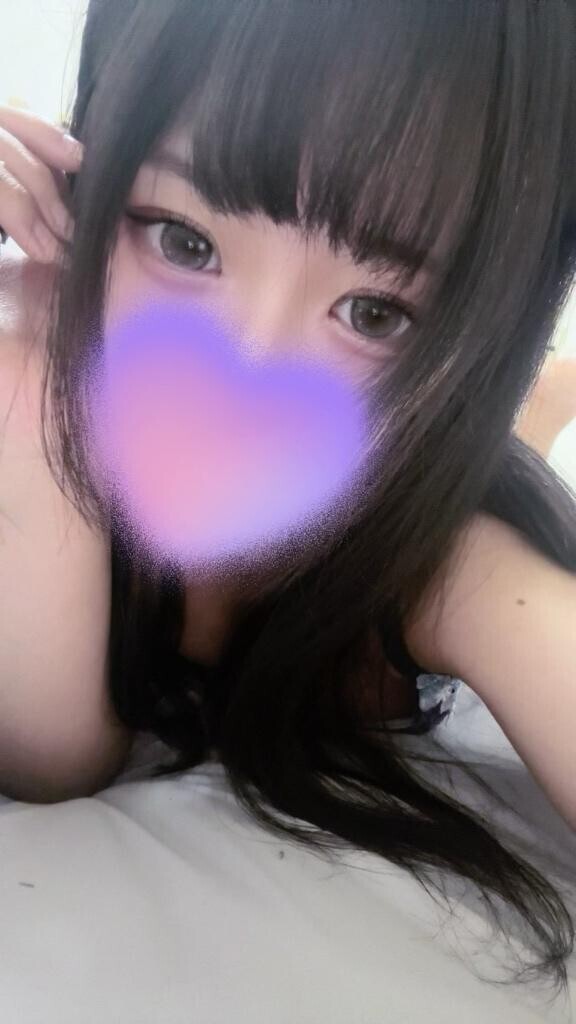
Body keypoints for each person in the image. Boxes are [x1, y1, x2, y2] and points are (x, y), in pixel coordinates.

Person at [1, 0, 576, 1002]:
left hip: (420, 474)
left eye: (375, 312)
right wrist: (27, 332)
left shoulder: (446, 561)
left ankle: (544, 397)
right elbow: (50, 747)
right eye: (185, 243)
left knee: (513, 443)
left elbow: (58, 754)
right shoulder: (47, 357)